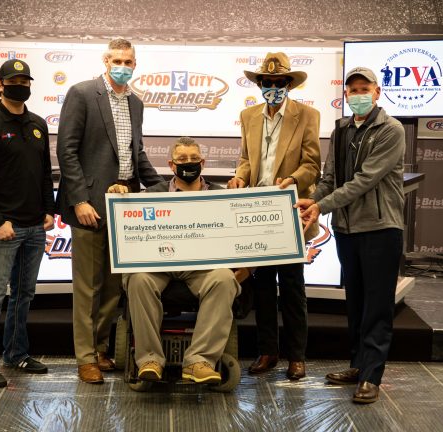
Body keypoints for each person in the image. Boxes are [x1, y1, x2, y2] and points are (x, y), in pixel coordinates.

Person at [296, 66, 405, 404]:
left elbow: (363, 181)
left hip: (380, 227)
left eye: (364, 88)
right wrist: (313, 199)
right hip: (347, 229)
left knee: (377, 305)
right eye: (352, 89)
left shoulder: (392, 129)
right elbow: (331, 177)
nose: (357, 95)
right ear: (345, 95)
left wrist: (322, 205)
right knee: (356, 303)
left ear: (377, 92)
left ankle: (372, 376)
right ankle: (358, 366)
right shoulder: (341, 129)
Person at [56, 39, 163, 384]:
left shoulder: (136, 102)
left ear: (136, 64)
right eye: (117, 59)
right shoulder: (83, 93)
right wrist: (79, 199)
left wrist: (163, 187)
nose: (123, 65)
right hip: (90, 204)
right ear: (106, 61)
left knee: (115, 287)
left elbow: (136, 153)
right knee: (87, 286)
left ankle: (100, 347)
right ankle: (85, 357)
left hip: (126, 206)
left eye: (128, 60)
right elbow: (67, 150)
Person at [227, 52, 321, 381]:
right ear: (260, 84)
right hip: (257, 210)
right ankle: (268, 351)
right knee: (263, 285)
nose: (273, 87)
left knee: (293, 286)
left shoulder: (307, 115)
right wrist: (240, 176)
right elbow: (245, 159)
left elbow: (312, 164)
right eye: (267, 83)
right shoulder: (248, 115)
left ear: (289, 84)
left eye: (279, 83)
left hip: (289, 209)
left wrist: (294, 180)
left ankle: (297, 356)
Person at [124, 137, 241, 383]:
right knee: (137, 279)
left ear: (203, 162)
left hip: (201, 267)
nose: (189, 164)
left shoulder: (220, 196)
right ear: (171, 165)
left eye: (193, 159)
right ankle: (149, 359)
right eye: (182, 160)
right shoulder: (152, 195)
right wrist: (119, 193)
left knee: (225, 278)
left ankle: (199, 361)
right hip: (160, 266)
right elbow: (131, 227)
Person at [0, 59, 55, 388]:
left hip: (35, 227)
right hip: (4, 229)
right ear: (0, 85)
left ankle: (16, 353)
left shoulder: (37, 124)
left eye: (25, 80)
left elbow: (45, 172)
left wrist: (49, 210)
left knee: (24, 294)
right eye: (13, 80)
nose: (21, 85)